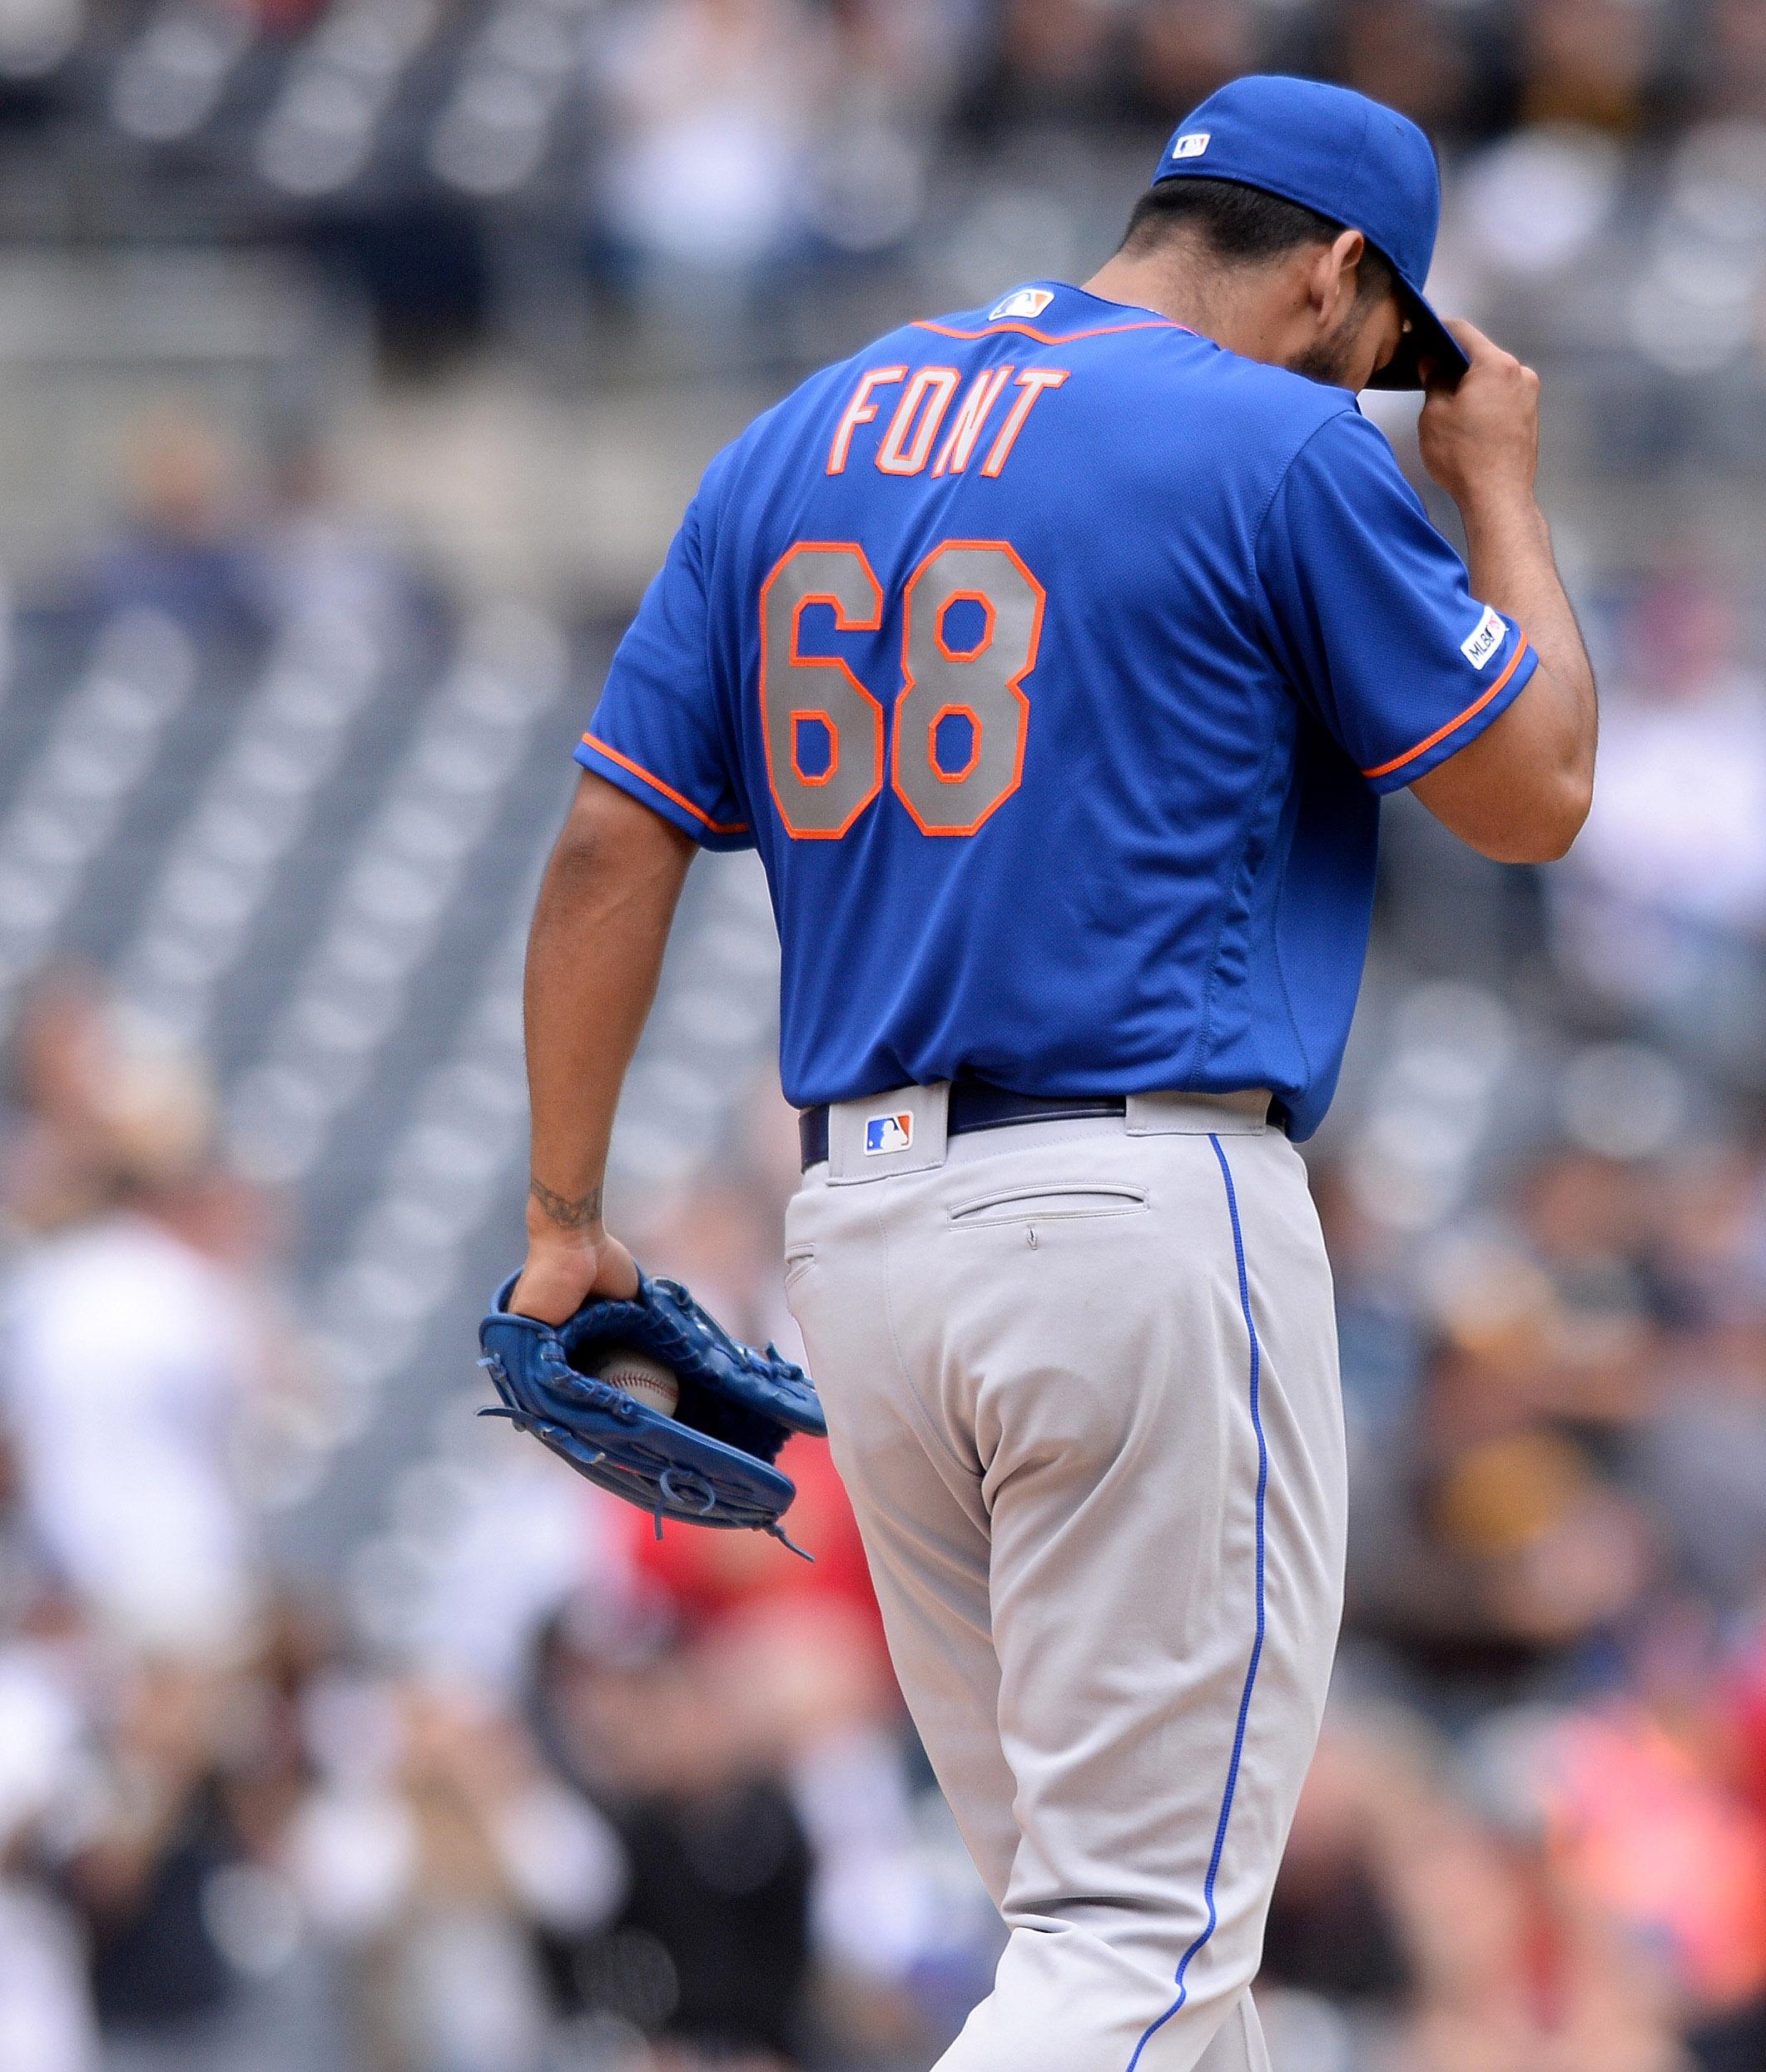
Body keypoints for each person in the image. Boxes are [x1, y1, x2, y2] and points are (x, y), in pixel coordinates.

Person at [503, 72, 1597, 2072]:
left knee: (1114, 1949)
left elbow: (608, 841)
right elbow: (1534, 796)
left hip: (863, 1238)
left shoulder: (794, 434)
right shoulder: (1273, 443)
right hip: (1126, 1209)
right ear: (1344, 274)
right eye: (1385, 338)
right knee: (1137, 1947)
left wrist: (565, 1216)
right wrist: (1497, 484)